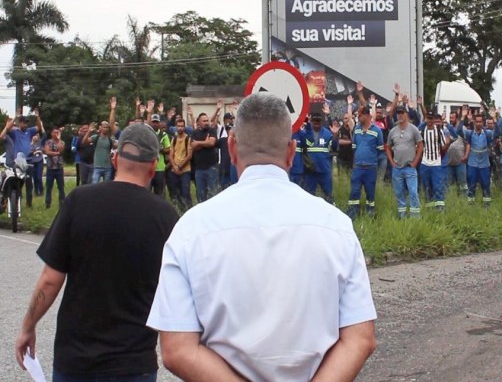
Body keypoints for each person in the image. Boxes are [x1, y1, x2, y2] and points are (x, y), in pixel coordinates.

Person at [147, 93, 377, 381]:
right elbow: (360, 339)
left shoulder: (191, 229)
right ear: (291, 151)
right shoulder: (336, 226)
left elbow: (178, 350)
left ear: (231, 147)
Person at [15, 123, 179, 381]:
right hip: (134, 362)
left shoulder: (79, 201)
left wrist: (28, 326)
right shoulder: (167, 216)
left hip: (77, 361)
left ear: (115, 159)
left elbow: (50, 279)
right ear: (153, 165)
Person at [386, 104, 423, 218]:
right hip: (397, 168)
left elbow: (420, 145)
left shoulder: (413, 129)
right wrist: (392, 162)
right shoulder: (393, 131)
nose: (400, 115)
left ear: (407, 114)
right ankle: (402, 216)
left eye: (402, 113)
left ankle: (415, 217)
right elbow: (387, 146)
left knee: (413, 192)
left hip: (409, 167)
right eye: (398, 113)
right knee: (399, 194)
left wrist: (415, 162)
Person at [347, 106, 384, 219]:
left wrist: (371, 160)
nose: (358, 117)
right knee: (354, 191)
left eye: (360, 115)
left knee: (370, 192)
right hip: (358, 167)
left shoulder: (377, 130)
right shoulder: (357, 130)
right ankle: (353, 213)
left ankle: (370, 213)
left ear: (367, 116)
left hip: (370, 168)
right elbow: (354, 147)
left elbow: (380, 149)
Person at [190, 112, 218, 203]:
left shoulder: (212, 130)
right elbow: (193, 147)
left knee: (212, 194)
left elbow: (211, 143)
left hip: (211, 167)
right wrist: (204, 143)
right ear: (199, 123)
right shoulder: (194, 133)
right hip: (199, 169)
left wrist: (198, 143)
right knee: (201, 195)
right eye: (204, 121)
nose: (207, 122)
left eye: (207, 120)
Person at [43, 127, 66, 209]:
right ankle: (47, 203)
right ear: (51, 133)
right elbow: (47, 152)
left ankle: (62, 203)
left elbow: (61, 150)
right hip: (50, 168)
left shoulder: (62, 142)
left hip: (59, 168)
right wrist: (57, 153)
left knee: (61, 187)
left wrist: (59, 139)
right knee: (49, 187)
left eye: (57, 132)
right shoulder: (48, 142)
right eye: (55, 132)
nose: (56, 134)